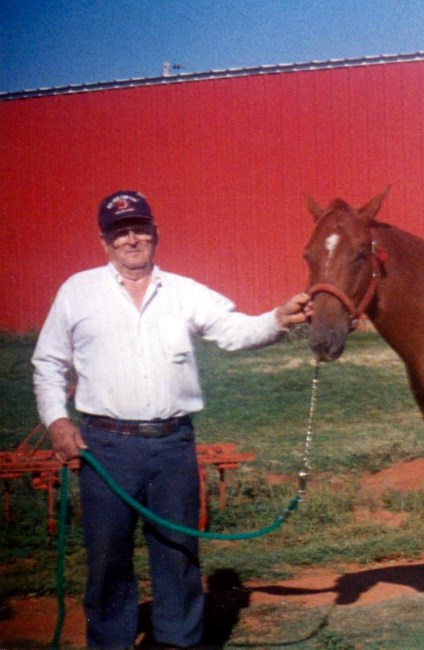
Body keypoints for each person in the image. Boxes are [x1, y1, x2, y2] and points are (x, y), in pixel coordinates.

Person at [32, 190, 311, 650]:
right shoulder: (76, 292)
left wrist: (279, 318)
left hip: (172, 447)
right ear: (105, 241)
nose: (131, 239)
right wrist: (58, 423)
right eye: (120, 232)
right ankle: (110, 642)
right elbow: (48, 364)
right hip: (104, 447)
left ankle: (179, 643)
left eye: (140, 228)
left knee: (178, 557)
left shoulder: (184, 292)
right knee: (106, 561)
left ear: (155, 234)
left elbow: (235, 331)